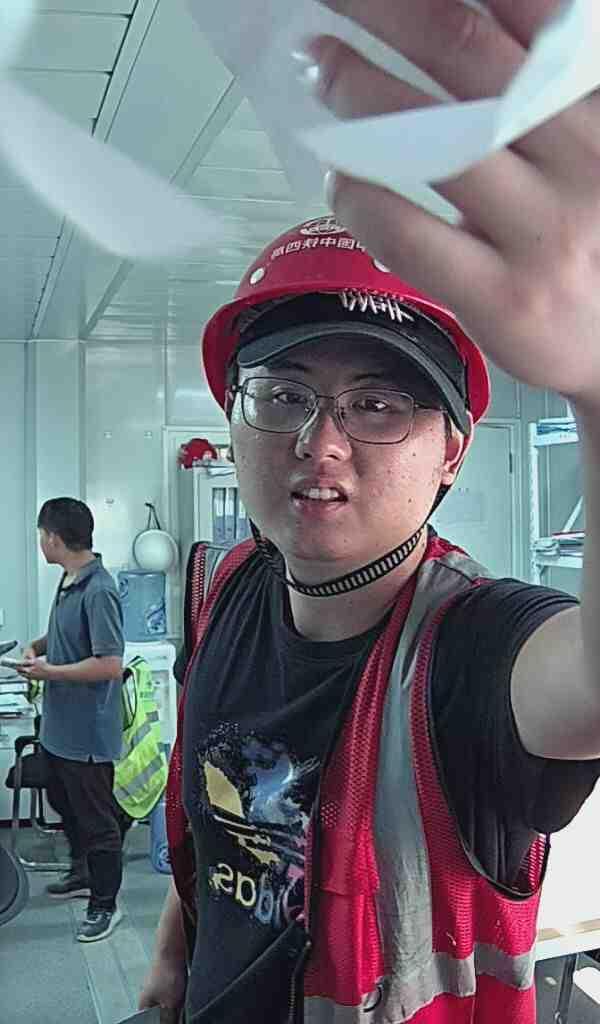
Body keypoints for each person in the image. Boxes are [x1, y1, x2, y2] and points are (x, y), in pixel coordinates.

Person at [139, 3, 600, 1019]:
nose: (322, 442)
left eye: (380, 404)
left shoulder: (476, 651)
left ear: (452, 453)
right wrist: (171, 964)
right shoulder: (223, 586)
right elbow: (219, 815)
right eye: (284, 394)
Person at [18, 498, 125, 942]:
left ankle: (105, 906)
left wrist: (50, 673)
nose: (41, 542)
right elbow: (67, 634)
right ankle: (82, 872)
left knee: (98, 823)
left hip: (87, 732)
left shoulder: (99, 590)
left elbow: (110, 664)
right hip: (60, 728)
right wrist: (37, 647)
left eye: (42, 535)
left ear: (54, 539)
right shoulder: (69, 580)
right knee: (62, 799)